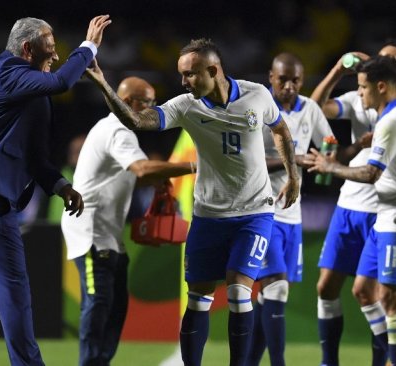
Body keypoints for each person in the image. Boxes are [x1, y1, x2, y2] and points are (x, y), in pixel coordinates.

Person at [85, 38, 300, 366]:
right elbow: (138, 121)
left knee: (239, 293)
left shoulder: (257, 94)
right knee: (198, 299)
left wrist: (293, 175)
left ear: (213, 70)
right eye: (181, 74)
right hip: (208, 215)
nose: (183, 81)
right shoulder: (186, 105)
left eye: (190, 74)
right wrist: (103, 84)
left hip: (253, 213)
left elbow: (281, 130)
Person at [0, 15, 111, 365]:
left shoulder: (32, 93)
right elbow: (65, 80)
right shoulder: (5, 72)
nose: (55, 55)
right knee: (13, 292)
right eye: (50, 48)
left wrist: (61, 185)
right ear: (26, 49)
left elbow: (36, 160)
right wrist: (89, 46)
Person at [310, 40, 396, 366]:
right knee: (354, 289)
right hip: (365, 207)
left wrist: (329, 166)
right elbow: (315, 108)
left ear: (395, 76)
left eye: (365, 86)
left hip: (395, 211)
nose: (359, 92)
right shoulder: (374, 106)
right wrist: (340, 69)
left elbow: (372, 172)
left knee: (388, 297)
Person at [61, 76, 194, 366]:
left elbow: (136, 173)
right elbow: (142, 169)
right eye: (147, 102)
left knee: (115, 305)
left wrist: (159, 181)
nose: (152, 108)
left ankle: (100, 360)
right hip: (91, 233)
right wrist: (193, 166)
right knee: (98, 303)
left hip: (108, 234)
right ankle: (91, 362)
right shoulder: (118, 130)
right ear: (129, 103)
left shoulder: (118, 130)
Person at [247, 52, 335, 366]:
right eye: (282, 79)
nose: (289, 85)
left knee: (267, 295)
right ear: (270, 77)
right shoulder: (257, 106)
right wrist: (293, 160)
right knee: (278, 288)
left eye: (295, 80)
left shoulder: (309, 108)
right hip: (260, 211)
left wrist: (328, 156)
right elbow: (248, 161)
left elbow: (329, 139)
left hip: (292, 215)